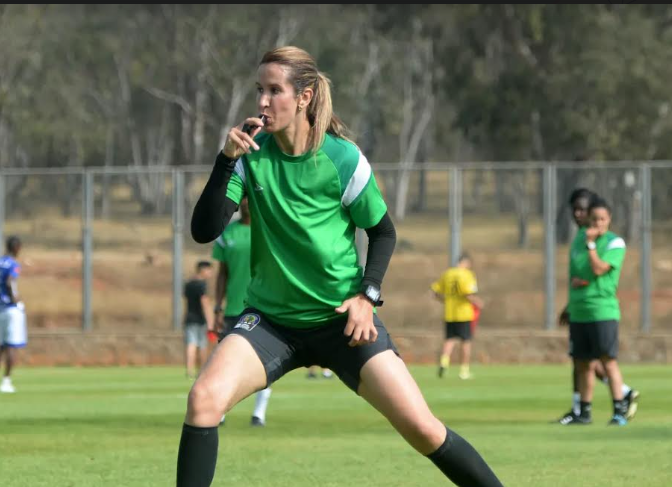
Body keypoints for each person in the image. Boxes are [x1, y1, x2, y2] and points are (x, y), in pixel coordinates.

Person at [178, 46, 504, 487]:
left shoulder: (343, 158)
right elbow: (204, 230)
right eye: (259, 90)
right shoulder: (251, 156)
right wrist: (225, 160)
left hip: (341, 323)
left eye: (274, 91)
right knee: (203, 400)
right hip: (270, 322)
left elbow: (383, 233)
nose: (262, 102)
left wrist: (367, 297)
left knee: (423, 429)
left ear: (304, 97)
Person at [556, 190, 638, 424]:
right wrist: (570, 303)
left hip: (602, 310)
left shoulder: (614, 242)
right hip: (580, 310)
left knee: (607, 361)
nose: (597, 223)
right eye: (594, 219)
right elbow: (577, 275)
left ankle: (619, 410)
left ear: (609, 219)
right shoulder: (578, 240)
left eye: (602, 219)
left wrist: (591, 245)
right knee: (583, 363)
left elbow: (599, 269)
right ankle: (584, 412)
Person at [212, 195, 272, 427]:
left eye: (250, 198)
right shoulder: (227, 234)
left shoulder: (269, 230)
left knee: (264, 362)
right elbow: (222, 274)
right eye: (243, 198)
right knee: (224, 361)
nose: (246, 202)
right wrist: (218, 306)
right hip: (233, 309)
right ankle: (220, 411)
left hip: (262, 307)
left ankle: (259, 414)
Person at [431, 253, 483, 380]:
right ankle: (464, 370)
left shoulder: (447, 274)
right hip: (464, 313)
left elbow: (435, 292)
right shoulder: (467, 275)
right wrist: (478, 302)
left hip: (449, 312)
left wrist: (444, 301)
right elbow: (468, 293)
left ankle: (444, 362)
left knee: (449, 340)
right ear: (466, 262)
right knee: (465, 341)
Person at [0, 236, 27, 393]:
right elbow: (10, 282)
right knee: (12, 346)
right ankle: (6, 382)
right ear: (16, 247)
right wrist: (15, 300)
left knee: (1, 346)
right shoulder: (13, 264)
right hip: (10, 309)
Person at [184, 261, 215, 378]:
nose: (210, 274)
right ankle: (202, 370)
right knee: (202, 344)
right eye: (209, 271)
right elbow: (205, 303)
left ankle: (189, 370)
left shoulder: (188, 284)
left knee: (191, 344)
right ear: (203, 270)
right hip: (201, 319)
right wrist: (210, 322)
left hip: (189, 318)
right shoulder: (202, 285)